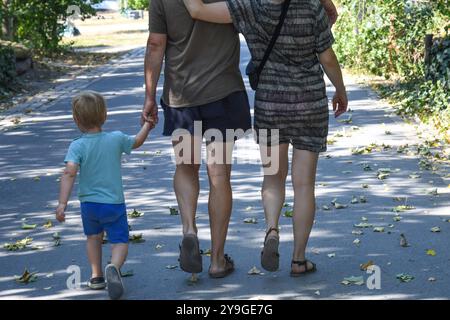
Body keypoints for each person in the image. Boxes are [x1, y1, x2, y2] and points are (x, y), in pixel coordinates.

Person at [182, 0, 348, 276]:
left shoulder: (249, 7)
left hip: (270, 104)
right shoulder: (310, 6)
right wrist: (340, 90)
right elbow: (327, 57)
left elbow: (198, 11)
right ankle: (298, 259)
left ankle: (272, 228)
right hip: (310, 103)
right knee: (304, 184)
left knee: (273, 177)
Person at [142, 0, 252, 278]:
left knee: (185, 166)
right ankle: (217, 261)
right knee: (219, 176)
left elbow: (156, 44)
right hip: (224, 92)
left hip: (181, 98)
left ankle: (189, 230)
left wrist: (149, 95)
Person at [55, 91, 153, 299]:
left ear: (76, 119)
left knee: (93, 237)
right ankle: (114, 267)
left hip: (89, 205)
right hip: (113, 204)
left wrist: (62, 203)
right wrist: (148, 125)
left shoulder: (77, 146)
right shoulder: (116, 139)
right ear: (105, 116)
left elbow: (69, 172)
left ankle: (97, 275)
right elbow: (136, 142)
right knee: (120, 240)